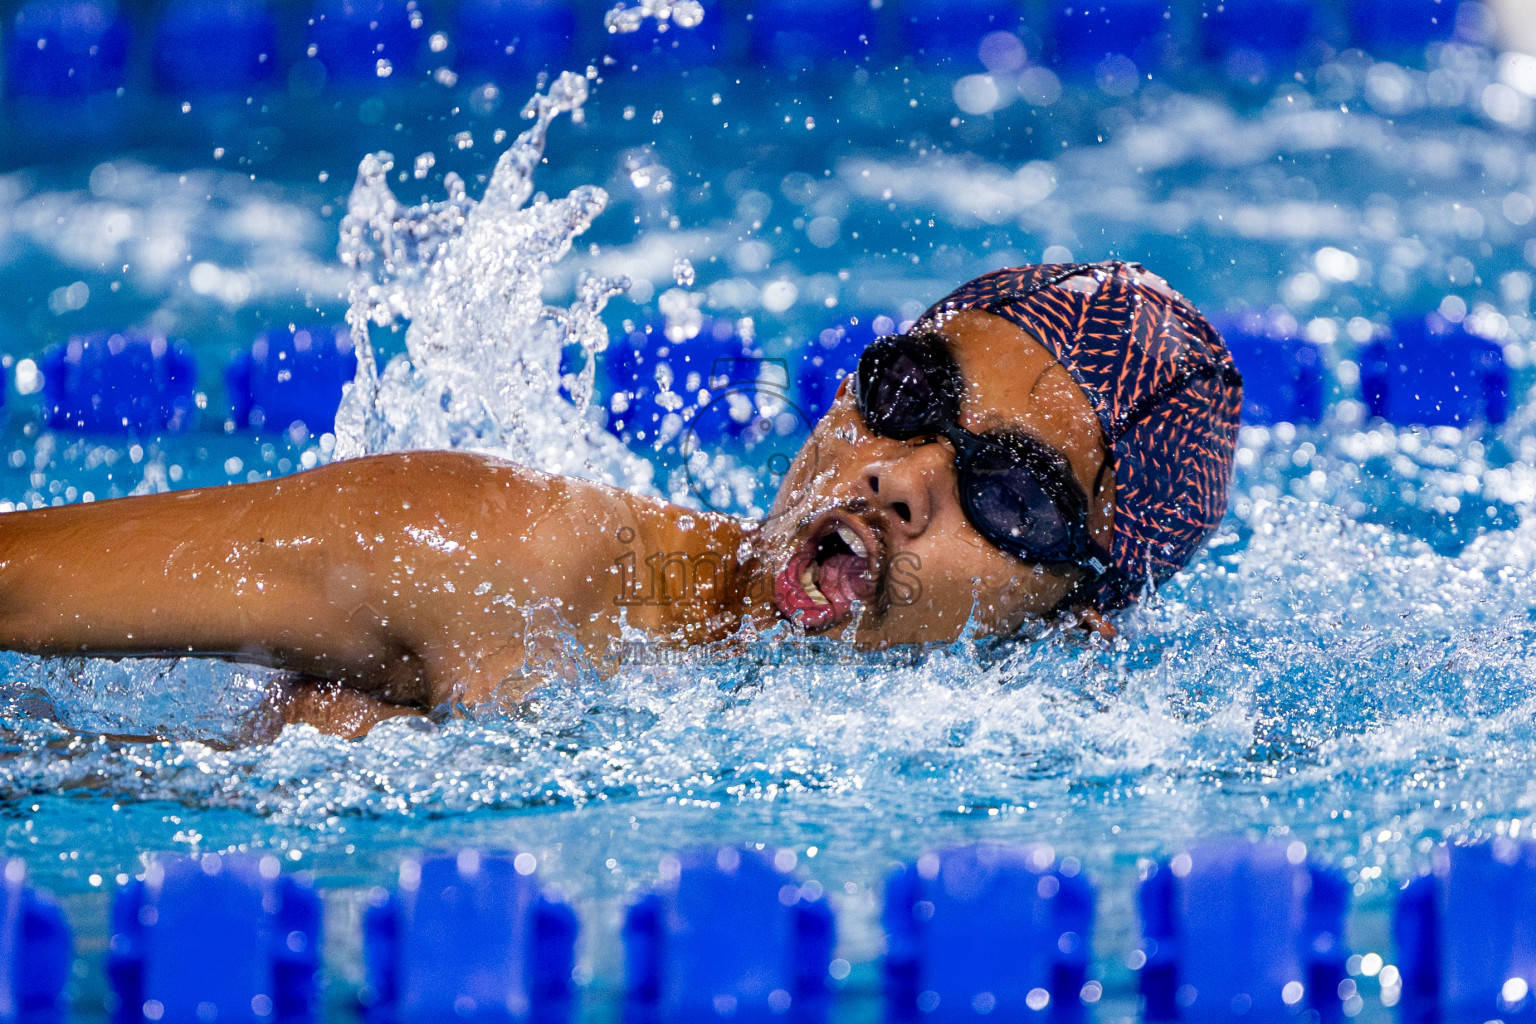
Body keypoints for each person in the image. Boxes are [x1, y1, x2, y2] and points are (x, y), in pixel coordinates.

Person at [0, 261, 1242, 737]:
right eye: (910, 391)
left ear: (1081, 621)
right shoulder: (503, 558)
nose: (902, 475)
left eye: (1013, 493)